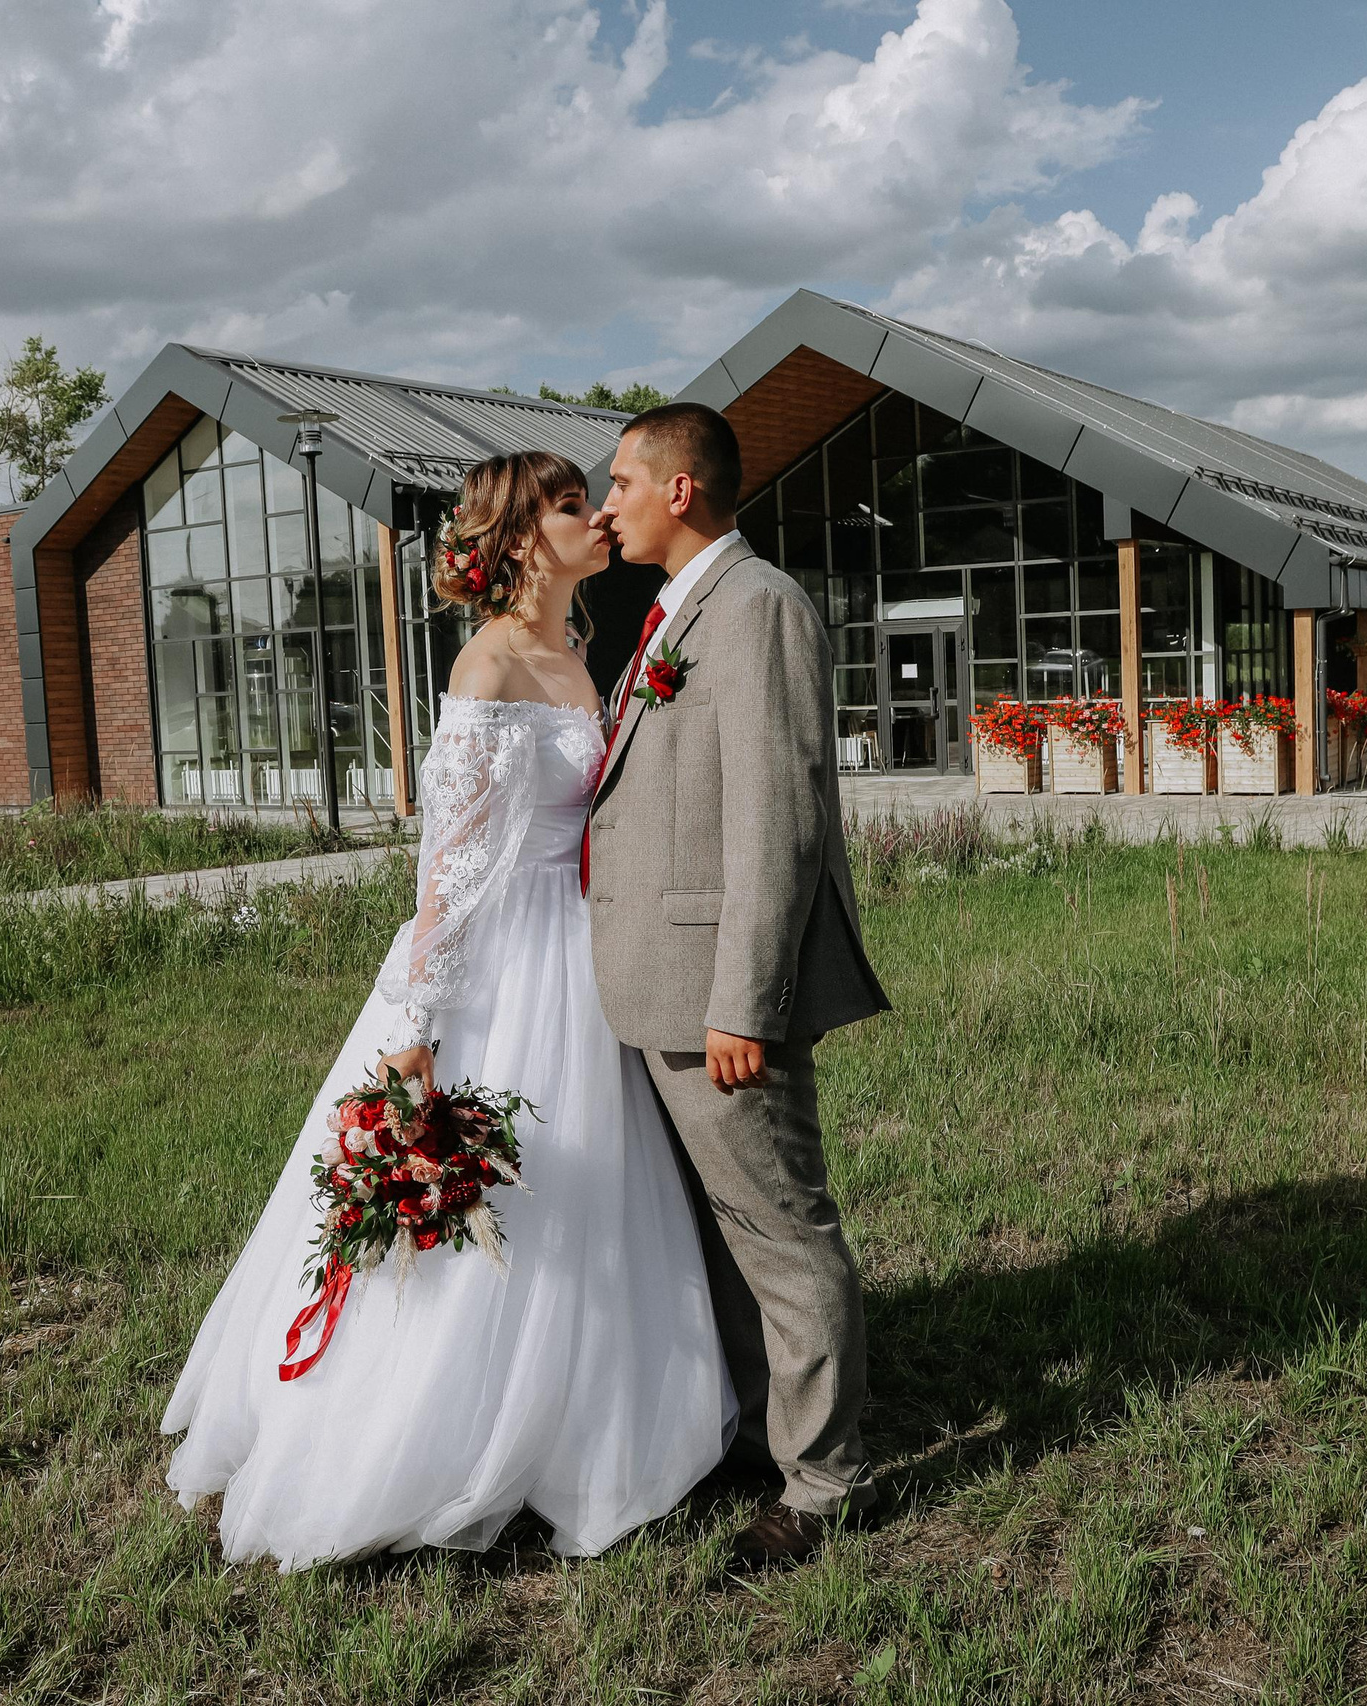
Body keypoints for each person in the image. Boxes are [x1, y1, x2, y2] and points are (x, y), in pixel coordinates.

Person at [158, 450, 735, 1571]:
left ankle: (577, 1409)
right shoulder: (488, 665)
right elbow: (452, 866)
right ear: (519, 540)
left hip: (580, 953)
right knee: (495, 1196)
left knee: (596, 1193)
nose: (596, 518)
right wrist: (419, 1025)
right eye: (571, 506)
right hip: (500, 966)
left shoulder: (579, 650)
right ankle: (421, 1433)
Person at [588, 402, 892, 1568]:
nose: (605, 505)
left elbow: (778, 817)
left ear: (679, 489)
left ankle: (823, 1483)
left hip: (713, 994)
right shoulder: (677, 607)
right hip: (652, 984)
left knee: (778, 1228)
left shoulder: (757, 605)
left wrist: (743, 1002)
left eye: (620, 482)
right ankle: (764, 1433)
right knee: (720, 1234)